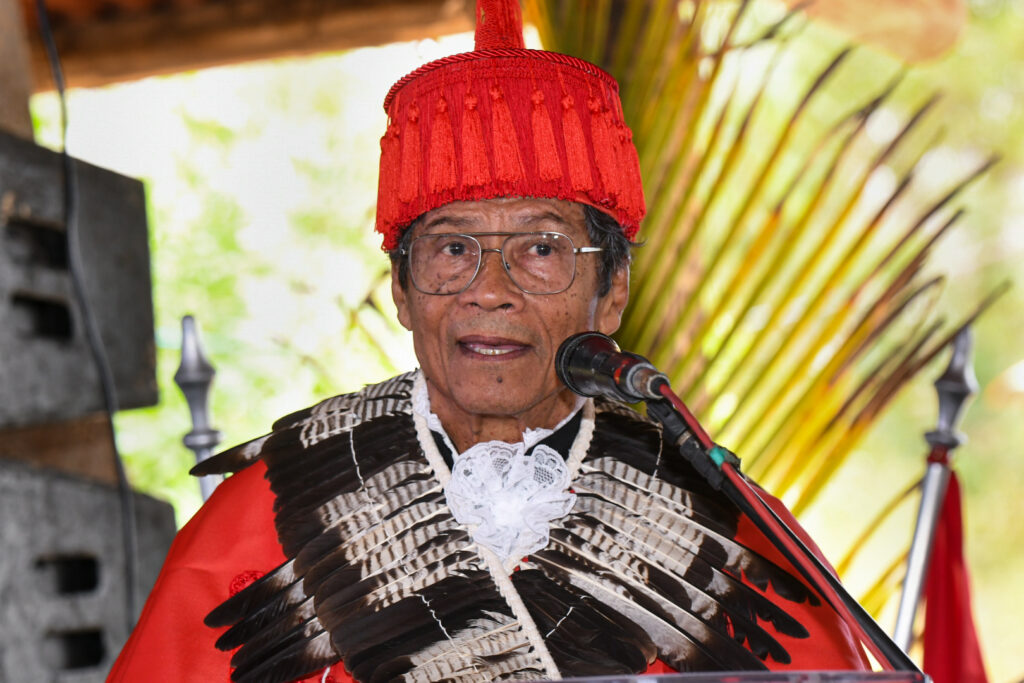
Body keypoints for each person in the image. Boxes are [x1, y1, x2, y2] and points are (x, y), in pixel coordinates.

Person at [109, 1, 870, 681]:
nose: (491, 288)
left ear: (612, 292)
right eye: (451, 249)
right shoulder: (263, 522)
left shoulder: (724, 530)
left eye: (541, 248)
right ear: (402, 291)